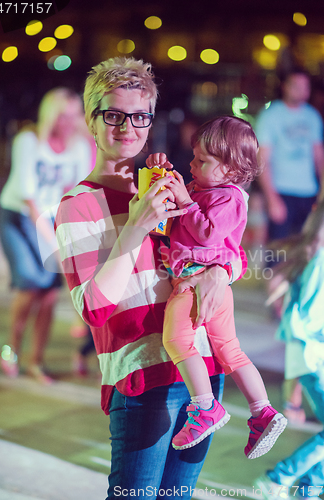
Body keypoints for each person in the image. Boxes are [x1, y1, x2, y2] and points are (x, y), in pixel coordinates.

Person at [55, 56, 245, 499]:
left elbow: (223, 247)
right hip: (142, 378)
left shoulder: (168, 184)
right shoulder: (78, 204)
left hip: (202, 374)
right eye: (114, 115)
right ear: (91, 120)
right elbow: (93, 308)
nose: (128, 127)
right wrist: (137, 226)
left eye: (139, 115)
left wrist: (222, 271)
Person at [146, 116, 287, 459]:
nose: (192, 165)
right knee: (230, 351)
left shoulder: (231, 197)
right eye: (193, 158)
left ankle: (205, 406)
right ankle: (263, 412)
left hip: (197, 281)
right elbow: (173, 213)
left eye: (201, 161)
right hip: (211, 285)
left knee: (176, 339)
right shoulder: (203, 189)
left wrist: (186, 200)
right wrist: (163, 176)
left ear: (231, 168)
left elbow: (207, 232)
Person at [0, 87, 92, 384]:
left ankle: (35, 360)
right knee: (31, 284)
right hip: (18, 216)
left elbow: (78, 189)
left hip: (52, 218)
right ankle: (12, 346)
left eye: (73, 116)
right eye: (61, 115)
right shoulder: (29, 140)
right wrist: (52, 241)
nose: (67, 122)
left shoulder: (80, 145)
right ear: (49, 115)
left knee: (50, 292)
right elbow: (28, 197)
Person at [255, 199, 324, 500]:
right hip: (313, 354)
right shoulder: (318, 257)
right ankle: (279, 478)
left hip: (308, 354)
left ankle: (309, 488)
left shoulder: (310, 254)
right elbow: (310, 319)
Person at [256, 68, 324, 243]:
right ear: (285, 87)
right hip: (281, 190)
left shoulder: (313, 116)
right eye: (296, 86)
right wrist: (272, 198)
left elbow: (319, 157)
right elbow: (262, 159)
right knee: (278, 250)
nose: (301, 91)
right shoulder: (270, 115)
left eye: (305, 87)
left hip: (309, 192)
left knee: (307, 249)